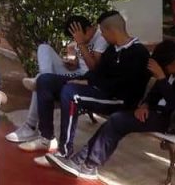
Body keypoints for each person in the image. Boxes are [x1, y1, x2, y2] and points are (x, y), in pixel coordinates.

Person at [47, 39, 175, 179]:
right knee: (116, 120)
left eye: (163, 69)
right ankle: (80, 161)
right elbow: (155, 94)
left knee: (118, 120)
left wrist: (162, 79)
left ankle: (88, 165)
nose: (162, 73)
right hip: (161, 113)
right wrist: (145, 105)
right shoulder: (170, 71)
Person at [19, 11, 151, 164]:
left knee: (71, 93)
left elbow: (125, 86)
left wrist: (90, 83)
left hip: (119, 99)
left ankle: (63, 153)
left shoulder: (139, 53)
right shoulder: (113, 49)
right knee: (45, 80)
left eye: (103, 32)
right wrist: (83, 79)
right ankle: (46, 137)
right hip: (101, 91)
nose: (103, 36)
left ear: (111, 30)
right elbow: (98, 72)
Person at [6, 15, 108, 143]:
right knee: (44, 48)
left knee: (41, 81)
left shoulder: (101, 38)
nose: (75, 40)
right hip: (74, 73)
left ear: (88, 29)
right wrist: (72, 64)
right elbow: (80, 62)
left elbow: (94, 68)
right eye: (73, 38)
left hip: (85, 79)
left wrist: (81, 43)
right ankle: (44, 78)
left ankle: (30, 126)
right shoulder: (80, 37)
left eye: (76, 37)